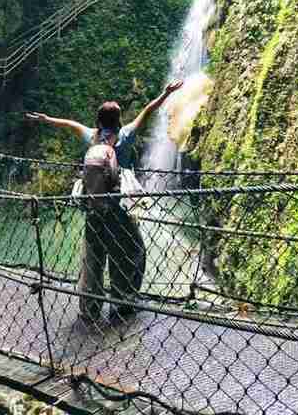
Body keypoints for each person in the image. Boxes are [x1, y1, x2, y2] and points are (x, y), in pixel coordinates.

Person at [25, 80, 183, 322]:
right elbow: (148, 110)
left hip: (93, 207)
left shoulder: (91, 137)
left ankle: (89, 308)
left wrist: (46, 120)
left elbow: (69, 124)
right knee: (131, 252)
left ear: (98, 121)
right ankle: (123, 302)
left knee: (93, 259)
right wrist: (166, 93)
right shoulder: (125, 135)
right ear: (118, 121)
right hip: (119, 209)